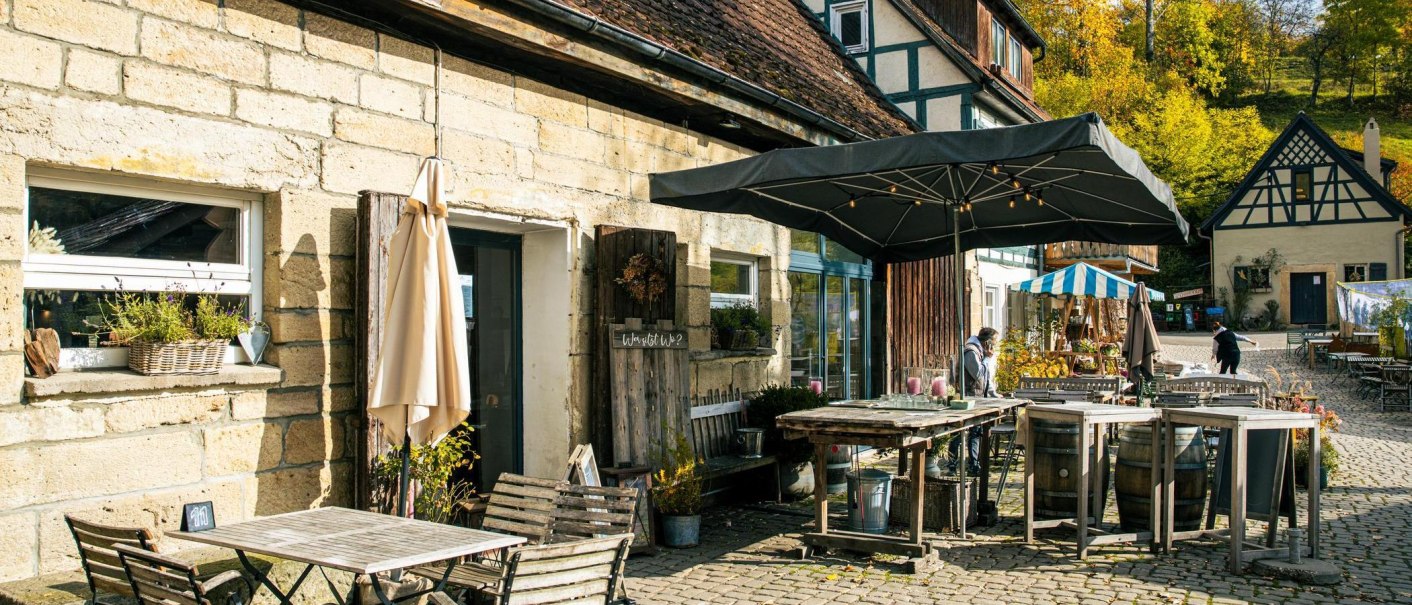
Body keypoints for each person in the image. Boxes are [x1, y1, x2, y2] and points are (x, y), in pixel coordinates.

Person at [949, 327, 997, 475]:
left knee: (976, 432)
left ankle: (974, 466)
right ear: (987, 343)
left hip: (976, 398)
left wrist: (993, 393)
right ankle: (952, 465)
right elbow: (978, 374)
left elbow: (986, 379)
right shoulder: (971, 352)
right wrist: (988, 359)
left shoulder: (978, 352)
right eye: (994, 342)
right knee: (959, 432)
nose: (995, 346)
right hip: (967, 398)